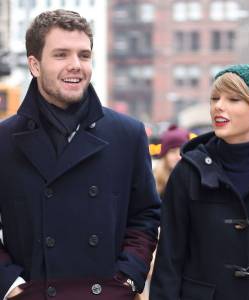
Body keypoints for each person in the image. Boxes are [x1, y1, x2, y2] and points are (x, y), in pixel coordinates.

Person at [0, 9, 160, 300]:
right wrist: (10, 285)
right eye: (61, 55)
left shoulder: (128, 134)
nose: (76, 65)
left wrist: (128, 277)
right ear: (34, 65)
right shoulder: (3, 140)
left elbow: (145, 216)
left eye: (84, 55)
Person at [150, 64, 249, 300]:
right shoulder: (188, 171)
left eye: (233, 99)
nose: (219, 106)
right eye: (215, 98)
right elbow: (169, 260)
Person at [154, 125, 189, 199]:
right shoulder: (153, 185)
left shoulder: (194, 181)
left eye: (182, 151)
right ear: (164, 156)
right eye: (173, 152)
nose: (178, 156)